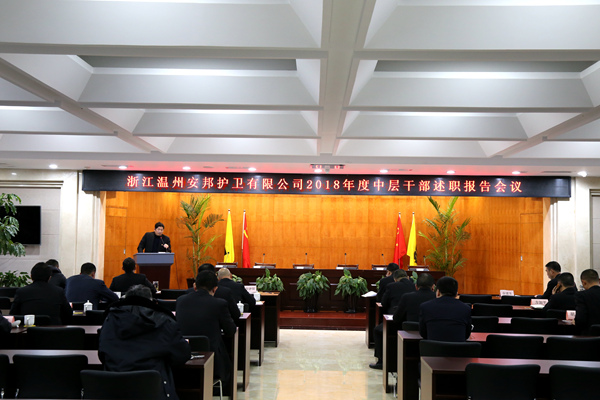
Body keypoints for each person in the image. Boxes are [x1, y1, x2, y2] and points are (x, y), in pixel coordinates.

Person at [99, 285, 191, 400]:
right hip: (153, 389)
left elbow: (102, 353)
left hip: (115, 389)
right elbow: (182, 355)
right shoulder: (164, 320)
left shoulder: (110, 318)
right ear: (151, 300)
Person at [176, 270, 237, 383]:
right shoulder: (219, 304)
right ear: (215, 289)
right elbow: (230, 330)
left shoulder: (180, 301)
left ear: (195, 286)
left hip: (183, 355)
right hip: (212, 359)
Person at [370, 269, 416, 370]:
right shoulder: (413, 286)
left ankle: (381, 361)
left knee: (377, 330)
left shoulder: (391, 286)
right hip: (411, 322)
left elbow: (383, 303)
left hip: (394, 320)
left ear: (395, 279)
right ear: (407, 277)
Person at [419, 276, 471, 342]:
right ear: (456, 294)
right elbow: (466, 335)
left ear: (438, 292)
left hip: (433, 348)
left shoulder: (425, 307)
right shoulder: (465, 309)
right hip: (457, 348)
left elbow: (423, 333)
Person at [575, 269, 600, 335]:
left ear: (584, 282)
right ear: (599, 280)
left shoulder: (582, 295)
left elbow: (580, 319)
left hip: (589, 336)